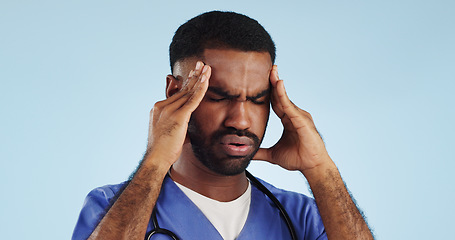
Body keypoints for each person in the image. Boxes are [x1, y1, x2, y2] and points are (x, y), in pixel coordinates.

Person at [72, 11, 374, 240]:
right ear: (175, 93)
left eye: (257, 100)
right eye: (218, 97)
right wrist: (156, 160)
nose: (241, 120)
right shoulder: (111, 209)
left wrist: (322, 169)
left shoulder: (303, 217)